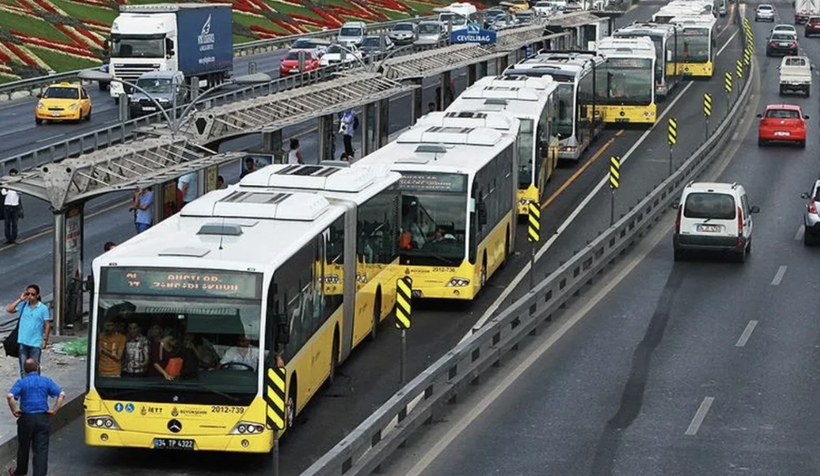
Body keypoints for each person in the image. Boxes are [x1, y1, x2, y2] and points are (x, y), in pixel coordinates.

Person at [7, 359, 65, 476]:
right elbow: (61, 394)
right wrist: (54, 410)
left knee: (24, 446)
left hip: (26, 419)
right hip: (42, 418)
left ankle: (21, 471)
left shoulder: (22, 382)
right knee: (41, 450)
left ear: (25, 370)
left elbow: (10, 396)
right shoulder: (46, 381)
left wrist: (14, 409)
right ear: (37, 368)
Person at [4, 285, 50, 378]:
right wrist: (20, 299)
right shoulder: (24, 305)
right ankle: (25, 387)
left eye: (32, 294)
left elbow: (47, 324)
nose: (30, 296)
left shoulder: (43, 308)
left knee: (34, 367)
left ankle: (35, 386)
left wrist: (45, 340)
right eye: (28, 294)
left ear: (37, 295)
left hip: (35, 343)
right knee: (23, 368)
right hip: (23, 341)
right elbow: (9, 309)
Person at [2, 169, 22, 245]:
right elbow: (3, 193)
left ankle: (13, 238)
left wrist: (15, 187)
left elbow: (20, 192)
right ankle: (8, 238)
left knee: (14, 223)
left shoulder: (18, 184)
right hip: (7, 205)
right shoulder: (6, 184)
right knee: (7, 223)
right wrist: (7, 188)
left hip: (15, 205)